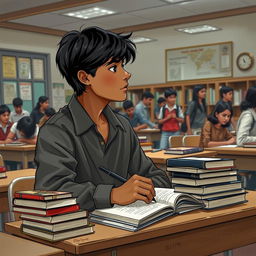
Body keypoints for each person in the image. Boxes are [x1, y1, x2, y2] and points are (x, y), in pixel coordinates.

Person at [34, 26, 171, 212]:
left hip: (127, 222)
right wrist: (112, 194)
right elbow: (52, 191)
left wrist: (145, 186)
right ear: (84, 77)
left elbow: (153, 174)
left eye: (123, 66)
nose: (126, 74)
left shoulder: (122, 125)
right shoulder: (56, 130)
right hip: (79, 230)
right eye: (114, 68)